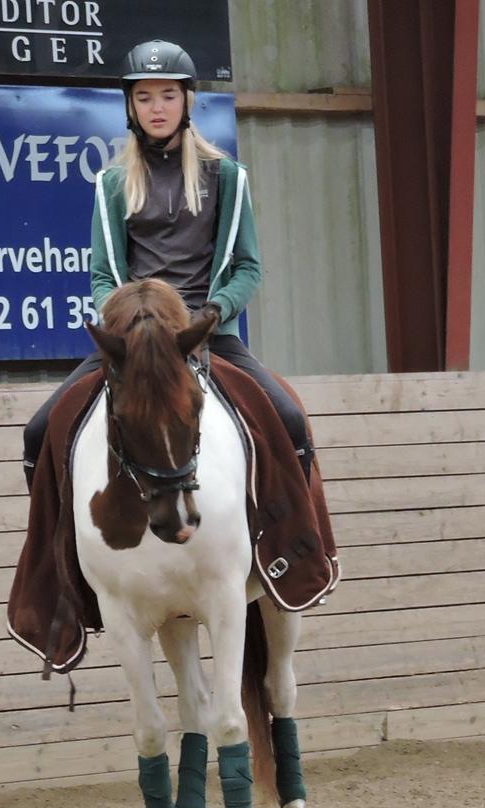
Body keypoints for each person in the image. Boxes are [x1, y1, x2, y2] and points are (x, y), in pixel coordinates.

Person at [22, 39, 314, 490]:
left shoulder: (227, 177)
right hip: (139, 341)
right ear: (131, 106)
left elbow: (247, 267)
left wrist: (213, 312)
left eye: (168, 95)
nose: (156, 107)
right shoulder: (114, 183)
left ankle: (310, 553)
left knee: (292, 423)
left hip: (209, 333)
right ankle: (47, 558)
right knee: (38, 432)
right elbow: (103, 276)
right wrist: (129, 321)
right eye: (144, 97)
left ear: (187, 101)